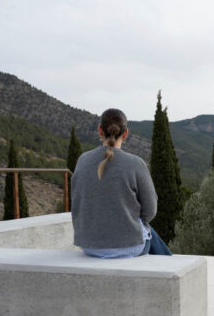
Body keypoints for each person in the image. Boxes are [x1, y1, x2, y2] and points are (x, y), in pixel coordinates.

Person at [71, 108, 172, 258]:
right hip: (129, 247)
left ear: (100, 131)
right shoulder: (135, 163)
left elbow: (77, 201)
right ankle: (170, 263)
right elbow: (150, 210)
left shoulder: (82, 160)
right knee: (148, 232)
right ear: (125, 134)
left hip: (90, 246)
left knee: (145, 231)